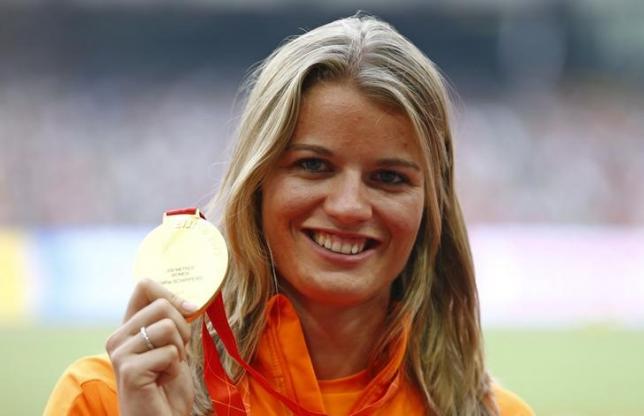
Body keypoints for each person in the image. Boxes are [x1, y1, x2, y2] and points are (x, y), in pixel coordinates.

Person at [45, 14, 534, 416]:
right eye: (313, 166)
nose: (348, 206)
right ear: (256, 184)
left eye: (388, 178)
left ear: (431, 207)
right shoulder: (108, 399)